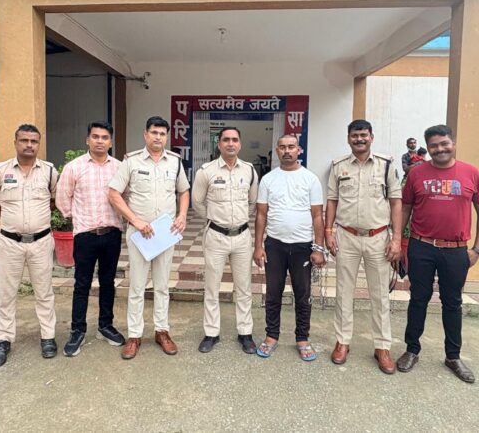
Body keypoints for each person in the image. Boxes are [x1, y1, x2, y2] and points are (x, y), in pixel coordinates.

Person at [396, 124, 479, 383]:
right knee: (418, 299)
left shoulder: (471, 173)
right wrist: (398, 241)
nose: (440, 149)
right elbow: (405, 208)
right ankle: (412, 350)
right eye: (434, 145)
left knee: (452, 303)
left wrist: (477, 249)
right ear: (428, 147)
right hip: (421, 246)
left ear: (453, 143)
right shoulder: (416, 174)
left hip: (456, 250)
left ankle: (453, 356)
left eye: (444, 143)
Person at [108, 116, 190, 360]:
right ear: (145, 134)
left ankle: (161, 331)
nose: (158, 137)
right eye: (154, 132)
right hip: (140, 233)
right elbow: (114, 194)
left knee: (162, 285)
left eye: (162, 133)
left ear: (167, 137)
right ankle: (134, 335)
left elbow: (184, 191)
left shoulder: (175, 162)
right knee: (137, 286)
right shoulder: (131, 161)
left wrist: (182, 215)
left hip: (165, 234)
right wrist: (135, 220)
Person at [324, 119, 402, 374]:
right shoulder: (338, 166)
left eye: (363, 135)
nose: (359, 139)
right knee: (343, 291)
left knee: (379, 294)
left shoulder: (386, 164)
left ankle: (382, 347)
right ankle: (342, 341)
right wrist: (328, 232)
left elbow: (396, 202)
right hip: (346, 236)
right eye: (355, 135)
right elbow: (332, 200)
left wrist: (396, 238)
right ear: (348, 138)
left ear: (371, 137)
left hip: (378, 238)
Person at [0, 124, 58, 367]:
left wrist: (36, 221)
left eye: (34, 141)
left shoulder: (49, 172)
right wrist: (11, 221)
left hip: (41, 242)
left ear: (39, 144)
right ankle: (3, 340)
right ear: (15, 142)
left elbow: (54, 201)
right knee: (6, 293)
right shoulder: (0, 171)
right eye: (24, 140)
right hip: (9, 243)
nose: (29, 145)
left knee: (44, 292)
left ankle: (48, 337)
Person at [56, 121, 125, 357]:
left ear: (110, 142)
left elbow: (125, 197)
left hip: (112, 234)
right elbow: (62, 199)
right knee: (82, 283)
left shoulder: (119, 168)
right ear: (88, 140)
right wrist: (78, 219)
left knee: (108, 282)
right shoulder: (74, 167)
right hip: (85, 236)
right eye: (95, 136)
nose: (99, 141)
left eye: (104, 137)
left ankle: (106, 326)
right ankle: (78, 330)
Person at [253, 134, 325, 361]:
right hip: (274, 245)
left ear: (298, 150)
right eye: (282, 147)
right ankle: (271, 336)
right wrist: (258, 246)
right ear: (277, 151)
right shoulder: (268, 179)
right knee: (273, 293)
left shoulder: (310, 179)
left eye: (291, 147)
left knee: (303, 294)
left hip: (302, 246)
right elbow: (261, 214)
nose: (287, 151)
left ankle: (302, 338)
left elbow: (317, 216)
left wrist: (318, 248)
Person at [192, 127, 258, 354]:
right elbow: (197, 202)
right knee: (212, 287)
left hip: (242, 237)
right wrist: (215, 219)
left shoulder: (249, 170)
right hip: (216, 237)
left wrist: (239, 220)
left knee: (244, 287)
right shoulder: (206, 171)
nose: (231, 144)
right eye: (226, 140)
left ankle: (245, 333)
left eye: (235, 140)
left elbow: (252, 202)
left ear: (240, 144)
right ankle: (211, 333)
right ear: (218, 144)